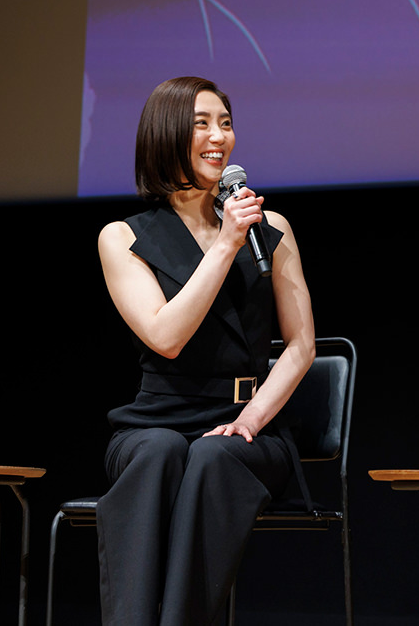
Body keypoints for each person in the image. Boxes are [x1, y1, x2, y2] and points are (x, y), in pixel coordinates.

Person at [95, 76, 315, 625]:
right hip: (156, 419)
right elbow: (166, 337)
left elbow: (301, 345)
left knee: (214, 454)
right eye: (202, 125)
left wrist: (251, 419)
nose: (220, 137)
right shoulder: (123, 237)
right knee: (159, 452)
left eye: (226, 123)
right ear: (167, 135)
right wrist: (224, 245)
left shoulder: (271, 228)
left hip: (246, 425)